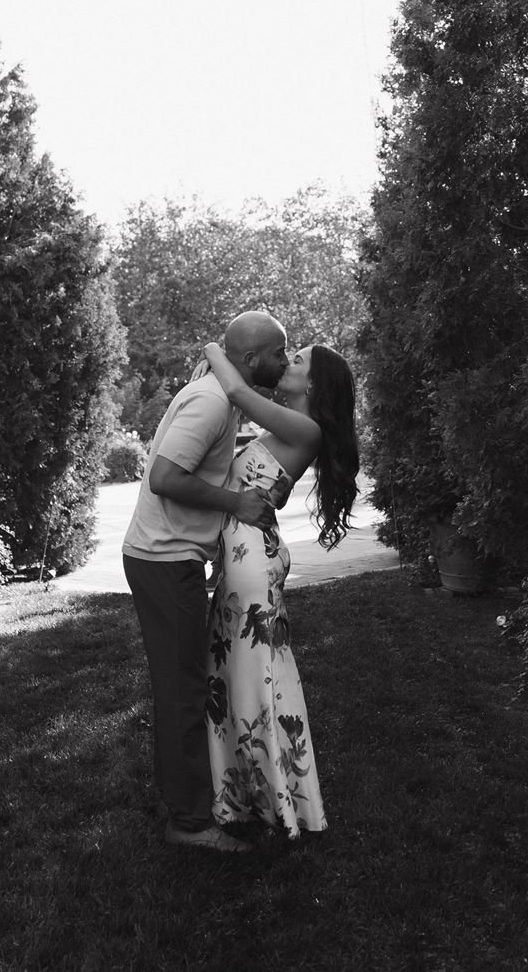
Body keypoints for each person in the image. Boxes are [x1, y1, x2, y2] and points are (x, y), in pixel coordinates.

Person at [121, 311, 290, 853]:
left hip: (171, 558)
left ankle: (182, 802)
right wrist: (237, 503)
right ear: (251, 359)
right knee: (182, 694)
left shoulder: (219, 395)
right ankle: (191, 824)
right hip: (164, 561)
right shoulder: (212, 401)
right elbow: (166, 477)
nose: (285, 363)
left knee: (181, 689)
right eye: (280, 354)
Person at [197, 337, 358, 841]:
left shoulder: (305, 428)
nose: (287, 363)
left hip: (252, 566)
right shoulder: (292, 427)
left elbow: (240, 395)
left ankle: (265, 802)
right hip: (245, 559)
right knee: (239, 675)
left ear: (312, 383)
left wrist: (213, 348)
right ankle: (243, 794)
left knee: (251, 680)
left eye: (298, 360)